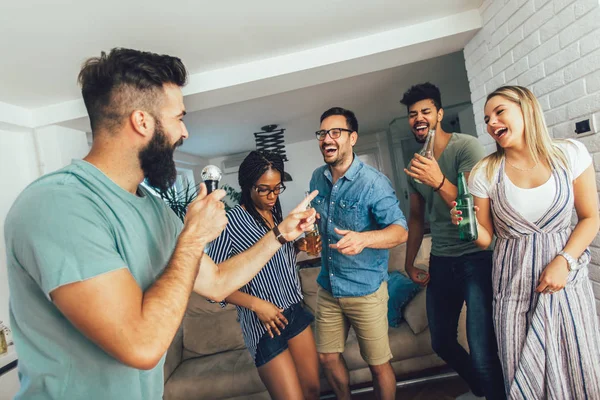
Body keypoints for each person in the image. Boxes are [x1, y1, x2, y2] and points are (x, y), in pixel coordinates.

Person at [4, 48, 317, 400]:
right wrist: (194, 236)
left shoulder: (152, 208)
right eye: (179, 117)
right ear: (142, 121)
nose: (184, 131)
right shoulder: (59, 204)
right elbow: (141, 346)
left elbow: (215, 283)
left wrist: (280, 234)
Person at [452, 85, 600, 399]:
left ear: (526, 109)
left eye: (499, 112)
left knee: (578, 367)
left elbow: (591, 217)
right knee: (524, 378)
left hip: (566, 284)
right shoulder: (485, 173)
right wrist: (466, 225)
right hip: (514, 290)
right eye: (487, 118)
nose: (491, 123)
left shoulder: (570, 155)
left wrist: (565, 261)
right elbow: (487, 238)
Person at [401, 82, 505, 400]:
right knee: (442, 342)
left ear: (440, 114)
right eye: (412, 114)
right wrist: (409, 262)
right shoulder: (415, 163)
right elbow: (418, 218)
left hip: (477, 256)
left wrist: (439, 180)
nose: (419, 118)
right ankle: (489, 392)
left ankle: (494, 392)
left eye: (426, 111)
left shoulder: (467, 147)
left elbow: (473, 210)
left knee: (483, 348)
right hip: (441, 259)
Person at [309, 107, 408, 400]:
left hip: (365, 290)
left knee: (378, 365)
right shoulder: (317, 178)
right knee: (327, 357)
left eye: (335, 132)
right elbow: (316, 217)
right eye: (322, 133)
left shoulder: (373, 183)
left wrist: (364, 239)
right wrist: (308, 222)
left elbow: (400, 231)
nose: (327, 138)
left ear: (352, 138)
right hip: (328, 287)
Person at [207, 150, 320, 400]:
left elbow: (272, 257)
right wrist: (257, 305)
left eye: (277, 188)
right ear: (248, 186)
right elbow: (212, 286)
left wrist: (297, 247)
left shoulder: (275, 215)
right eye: (264, 189)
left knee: (312, 390)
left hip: (294, 310)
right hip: (264, 327)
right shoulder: (230, 222)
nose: (272, 196)